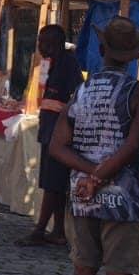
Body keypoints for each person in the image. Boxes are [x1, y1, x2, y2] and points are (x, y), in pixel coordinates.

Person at [47, 16, 139, 275]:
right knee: (119, 274)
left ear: (103, 50)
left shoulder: (82, 91)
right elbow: (133, 145)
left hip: (82, 194)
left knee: (84, 268)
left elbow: (57, 146)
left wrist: (88, 173)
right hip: (123, 195)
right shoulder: (137, 94)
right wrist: (101, 175)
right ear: (132, 56)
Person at [20, 24, 85, 247]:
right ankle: (57, 230)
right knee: (53, 183)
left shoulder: (68, 63)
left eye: (43, 42)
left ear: (55, 43)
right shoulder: (50, 63)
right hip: (48, 129)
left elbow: (77, 96)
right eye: (39, 41)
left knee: (53, 184)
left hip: (60, 134)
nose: (39, 46)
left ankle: (40, 229)